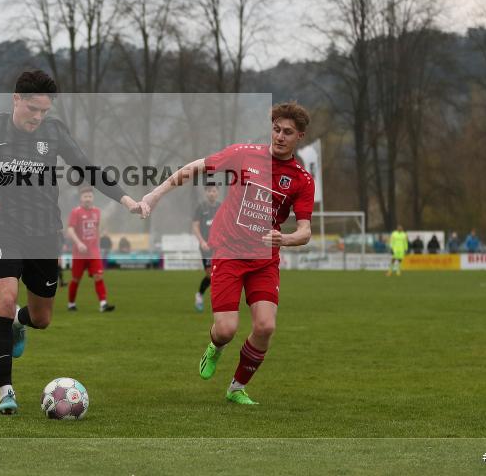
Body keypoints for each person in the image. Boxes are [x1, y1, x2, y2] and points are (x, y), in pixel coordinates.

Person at [0, 70, 140, 415]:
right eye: (33, 109)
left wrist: (127, 200)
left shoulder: (54, 131)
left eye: (44, 111)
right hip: (2, 228)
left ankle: (19, 322)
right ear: (16, 99)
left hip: (45, 234)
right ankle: (6, 392)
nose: (38, 117)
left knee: (42, 318)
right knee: (4, 298)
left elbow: (87, 168)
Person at [138, 102, 315, 406]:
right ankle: (215, 347)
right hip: (229, 252)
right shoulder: (244, 154)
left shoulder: (302, 180)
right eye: (276, 129)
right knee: (226, 329)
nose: (279, 136)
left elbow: (305, 231)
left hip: (264, 260)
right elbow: (196, 167)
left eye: (287, 132)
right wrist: (155, 195)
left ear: (299, 136)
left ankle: (236, 388)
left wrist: (284, 239)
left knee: (265, 326)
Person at [65, 186, 115, 313]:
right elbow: (70, 230)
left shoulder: (97, 212)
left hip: (93, 252)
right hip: (79, 253)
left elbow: (97, 228)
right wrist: (79, 243)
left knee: (98, 276)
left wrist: (98, 241)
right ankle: (71, 304)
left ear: (93, 198)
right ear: (81, 198)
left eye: (90, 196)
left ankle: (103, 304)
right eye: (85, 196)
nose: (88, 199)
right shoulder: (76, 212)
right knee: (76, 279)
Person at [192, 183, 221, 312]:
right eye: (209, 191)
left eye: (214, 191)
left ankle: (220, 300)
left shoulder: (221, 207)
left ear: (217, 192)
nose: (211, 193)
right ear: (206, 193)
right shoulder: (201, 207)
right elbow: (195, 226)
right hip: (206, 247)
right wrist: (202, 241)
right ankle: (199, 295)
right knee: (210, 274)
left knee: (220, 274)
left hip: (219, 247)